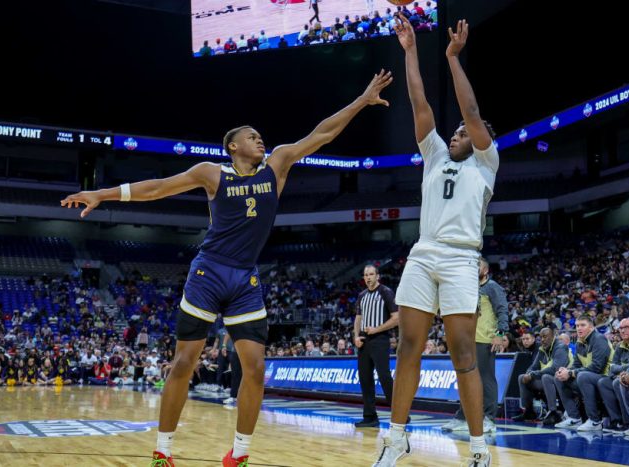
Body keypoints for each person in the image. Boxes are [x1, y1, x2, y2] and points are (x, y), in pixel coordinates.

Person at [61, 70, 393, 467]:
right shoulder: (212, 173)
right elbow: (157, 187)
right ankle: (162, 451)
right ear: (233, 145)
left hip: (245, 278)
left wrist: (360, 100)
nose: (261, 140)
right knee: (185, 362)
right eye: (252, 137)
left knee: (255, 369)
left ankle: (239, 453)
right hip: (209, 273)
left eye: (260, 137)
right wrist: (101, 193)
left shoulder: (278, 165)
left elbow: (321, 134)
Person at [373, 16, 498, 467]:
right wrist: (410, 51)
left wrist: (451, 57)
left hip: (463, 258)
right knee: (408, 347)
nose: (458, 132)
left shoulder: (486, 162)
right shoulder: (434, 155)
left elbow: (470, 110)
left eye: (465, 131)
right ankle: (396, 438)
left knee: (463, 351)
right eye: (457, 131)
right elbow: (418, 101)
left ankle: (479, 448)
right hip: (424, 254)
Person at [440, 257, 507, 433]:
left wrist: (500, 334)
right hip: (467, 340)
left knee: (486, 380)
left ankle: (489, 420)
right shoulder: (468, 289)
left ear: (485, 270)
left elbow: (503, 310)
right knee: (465, 380)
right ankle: (463, 417)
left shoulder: (492, 287)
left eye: (478, 266)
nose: (473, 269)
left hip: (485, 339)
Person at [354, 265, 399, 428]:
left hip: (380, 339)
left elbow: (396, 318)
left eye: (371, 274)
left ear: (377, 276)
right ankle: (370, 416)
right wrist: (356, 336)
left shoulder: (386, 292)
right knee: (365, 379)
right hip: (364, 341)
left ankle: (399, 414)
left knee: (385, 377)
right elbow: (358, 318)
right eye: (366, 275)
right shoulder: (362, 295)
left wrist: (376, 329)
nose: (368, 277)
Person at [553, 315, 613, 430]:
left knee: (583, 376)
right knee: (558, 377)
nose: (579, 328)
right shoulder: (579, 343)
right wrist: (566, 371)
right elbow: (576, 365)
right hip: (588, 377)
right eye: (577, 326)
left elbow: (597, 367)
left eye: (582, 325)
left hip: (605, 378)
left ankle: (595, 421)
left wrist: (571, 373)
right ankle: (574, 418)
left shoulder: (599, 338)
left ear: (591, 327)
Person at [512, 326, 569, 423]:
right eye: (541, 337)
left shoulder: (560, 347)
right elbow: (533, 367)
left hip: (562, 379)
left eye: (545, 337)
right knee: (522, 377)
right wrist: (528, 374)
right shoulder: (542, 349)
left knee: (546, 377)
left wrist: (533, 375)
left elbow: (555, 369)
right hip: (547, 380)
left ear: (553, 336)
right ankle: (528, 411)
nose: (542, 340)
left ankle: (553, 412)